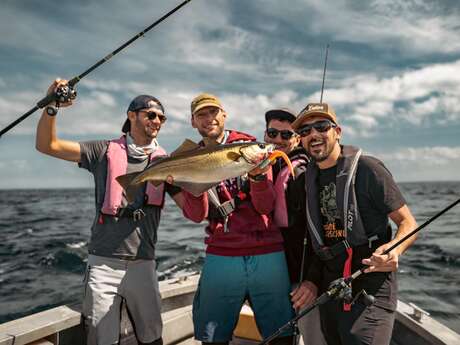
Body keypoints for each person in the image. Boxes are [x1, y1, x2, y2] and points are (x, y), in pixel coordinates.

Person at [35, 79, 207, 345]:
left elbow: (194, 213)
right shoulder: (102, 151)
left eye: (162, 117)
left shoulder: (167, 162)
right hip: (103, 263)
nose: (157, 121)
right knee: (101, 338)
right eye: (151, 114)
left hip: (144, 263)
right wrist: (52, 106)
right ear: (131, 115)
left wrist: (202, 177)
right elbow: (48, 145)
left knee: (152, 336)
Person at [289, 103, 418, 345]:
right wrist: (311, 281)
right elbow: (318, 243)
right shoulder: (305, 183)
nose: (313, 134)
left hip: (370, 285)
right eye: (305, 131)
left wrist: (394, 251)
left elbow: (408, 223)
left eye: (321, 126)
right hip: (330, 289)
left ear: (337, 131)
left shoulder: (369, 170)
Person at [182, 93, 295, 345]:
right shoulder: (188, 156)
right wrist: (191, 184)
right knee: (212, 338)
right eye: (201, 114)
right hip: (222, 253)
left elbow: (265, 206)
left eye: (213, 112)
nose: (208, 119)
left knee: (282, 336)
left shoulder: (249, 147)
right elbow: (196, 215)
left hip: (267, 252)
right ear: (193, 122)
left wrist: (256, 177)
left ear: (224, 115)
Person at [263, 108, 326, 345]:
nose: (278, 140)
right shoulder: (263, 165)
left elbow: (323, 232)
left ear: (297, 138)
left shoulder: (302, 172)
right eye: (272, 133)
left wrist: (312, 280)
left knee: (313, 339)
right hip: (275, 271)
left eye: (286, 135)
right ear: (265, 134)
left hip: (304, 277)